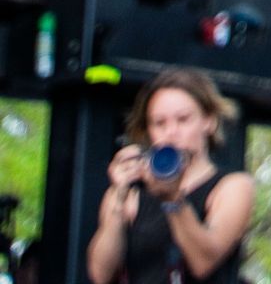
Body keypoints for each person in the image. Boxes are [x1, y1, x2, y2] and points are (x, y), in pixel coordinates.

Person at [86, 70, 254, 284]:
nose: (171, 132)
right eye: (159, 123)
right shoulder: (133, 190)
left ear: (209, 121)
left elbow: (203, 262)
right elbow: (100, 275)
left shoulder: (233, 186)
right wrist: (117, 199)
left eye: (183, 120)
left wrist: (172, 199)